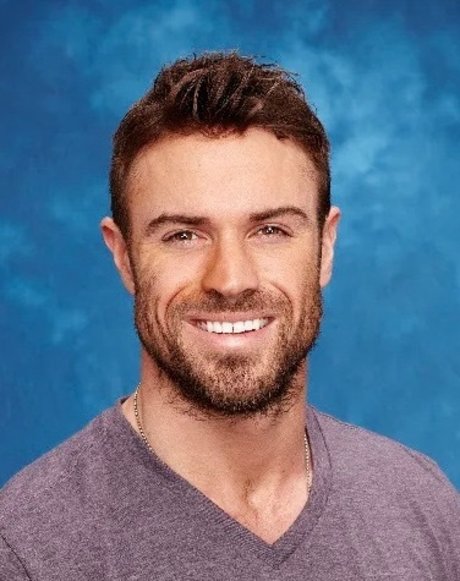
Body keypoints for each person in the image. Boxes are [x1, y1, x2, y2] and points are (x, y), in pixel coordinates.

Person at [1, 52, 458, 581]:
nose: (231, 279)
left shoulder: (422, 502)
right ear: (123, 256)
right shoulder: (27, 550)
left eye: (271, 230)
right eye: (183, 235)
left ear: (325, 247)